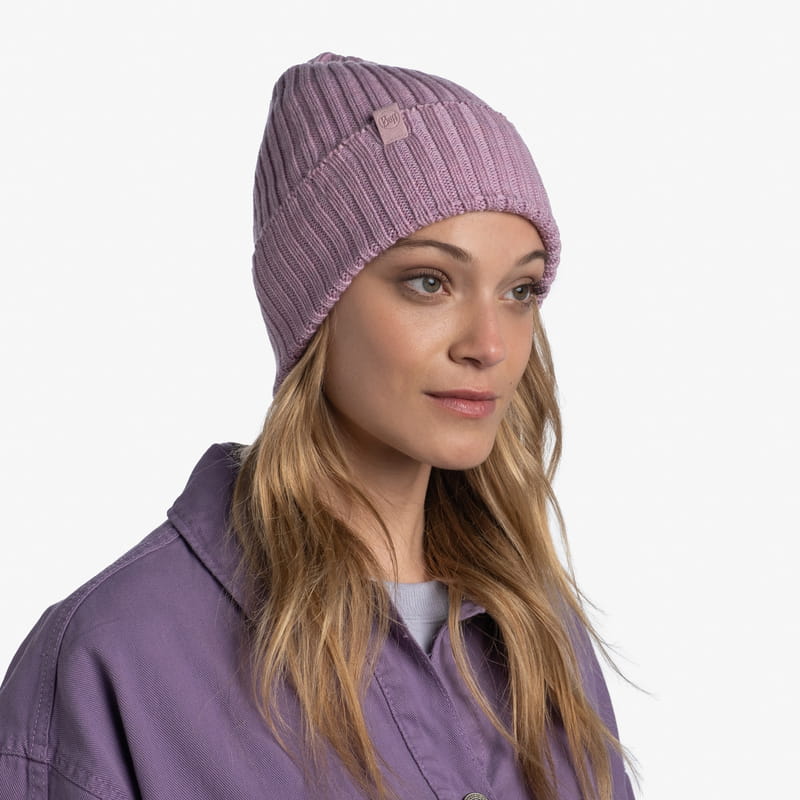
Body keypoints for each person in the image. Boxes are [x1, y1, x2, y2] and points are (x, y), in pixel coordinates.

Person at [0, 52, 635, 799]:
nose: (489, 345)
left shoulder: (537, 629)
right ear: (316, 302)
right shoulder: (115, 660)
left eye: (520, 290)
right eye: (429, 282)